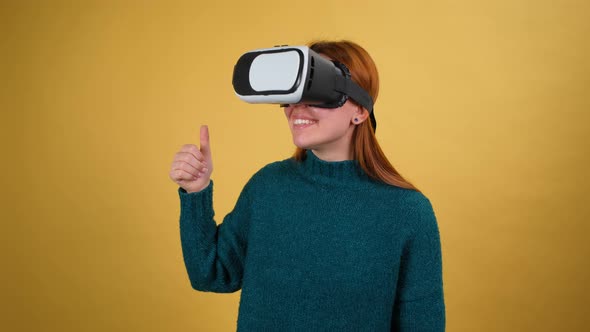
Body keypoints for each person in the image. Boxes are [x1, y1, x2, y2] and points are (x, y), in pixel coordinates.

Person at [169, 40, 445, 331]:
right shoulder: (267, 187)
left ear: (360, 111)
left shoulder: (408, 212)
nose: (297, 108)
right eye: (292, 94)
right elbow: (210, 274)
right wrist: (196, 191)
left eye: (316, 91)